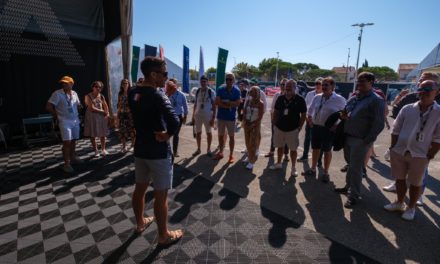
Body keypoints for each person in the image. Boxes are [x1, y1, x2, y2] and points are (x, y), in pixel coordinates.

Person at [128, 56, 183, 246]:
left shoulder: (132, 91)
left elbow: (142, 107)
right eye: (164, 74)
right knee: (161, 195)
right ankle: (163, 236)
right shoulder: (158, 95)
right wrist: (167, 135)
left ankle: (140, 223)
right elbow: (175, 121)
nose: (166, 78)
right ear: (153, 75)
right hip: (158, 152)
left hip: (140, 149)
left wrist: (163, 93)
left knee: (140, 188)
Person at [384, 80, 440, 221]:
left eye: (428, 89)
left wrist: (430, 155)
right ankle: (399, 202)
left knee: (416, 183)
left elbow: (438, 138)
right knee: (400, 179)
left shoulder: (438, 112)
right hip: (400, 151)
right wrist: (393, 148)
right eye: (421, 88)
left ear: (437, 92)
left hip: (420, 154)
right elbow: (395, 130)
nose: (423, 91)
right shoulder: (408, 108)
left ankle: (411, 207)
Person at [334, 72, 385, 208]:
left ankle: (353, 195)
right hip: (348, 136)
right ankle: (348, 187)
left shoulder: (376, 100)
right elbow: (345, 111)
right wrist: (343, 115)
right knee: (350, 165)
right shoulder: (355, 97)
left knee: (356, 168)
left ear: (371, 82)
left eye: (363, 81)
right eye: (359, 80)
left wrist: (367, 140)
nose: (359, 83)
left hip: (360, 140)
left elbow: (379, 123)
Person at [302, 77, 346, 183]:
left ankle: (326, 172)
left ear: (333, 87)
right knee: (315, 149)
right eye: (323, 85)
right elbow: (310, 110)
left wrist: (337, 125)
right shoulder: (317, 97)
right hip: (316, 127)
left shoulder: (339, 99)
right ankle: (313, 169)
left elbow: (345, 114)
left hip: (329, 130)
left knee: (327, 150)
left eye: (327, 85)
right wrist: (310, 119)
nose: (324, 87)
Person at [270, 80, 307, 178]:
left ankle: (293, 168)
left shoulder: (300, 99)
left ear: (295, 88)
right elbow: (276, 112)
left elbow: (303, 115)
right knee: (280, 147)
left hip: (293, 129)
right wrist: (274, 124)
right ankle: (278, 163)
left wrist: (299, 127)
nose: (287, 88)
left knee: (293, 149)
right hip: (279, 127)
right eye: (286, 86)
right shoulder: (280, 98)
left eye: (290, 86)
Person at [46, 76, 83, 173]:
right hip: (64, 121)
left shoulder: (74, 93)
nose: (64, 84)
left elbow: (78, 105)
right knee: (67, 142)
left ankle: (73, 157)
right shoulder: (57, 93)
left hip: (75, 121)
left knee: (74, 140)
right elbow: (48, 106)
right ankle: (67, 164)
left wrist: (80, 107)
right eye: (62, 83)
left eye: (66, 83)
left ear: (72, 84)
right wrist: (57, 116)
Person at [213, 72, 241, 163]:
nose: (228, 81)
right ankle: (221, 152)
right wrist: (229, 105)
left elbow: (237, 103)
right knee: (220, 136)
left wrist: (226, 103)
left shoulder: (237, 91)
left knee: (231, 137)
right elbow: (217, 102)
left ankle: (231, 155)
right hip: (221, 117)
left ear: (234, 80)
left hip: (231, 118)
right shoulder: (220, 89)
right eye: (227, 79)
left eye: (230, 79)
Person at [297, 77, 323, 163]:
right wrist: (307, 119)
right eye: (316, 84)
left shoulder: (325, 95)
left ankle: (319, 159)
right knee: (307, 139)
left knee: (319, 141)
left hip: (320, 122)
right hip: (309, 120)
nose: (318, 85)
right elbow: (305, 107)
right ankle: (305, 155)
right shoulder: (310, 94)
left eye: (320, 84)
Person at [192, 75, 216, 156]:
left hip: (208, 116)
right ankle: (198, 149)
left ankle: (208, 149)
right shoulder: (198, 91)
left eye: (205, 81)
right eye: (202, 81)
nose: (203, 83)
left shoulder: (211, 92)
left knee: (208, 133)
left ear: (207, 82)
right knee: (198, 133)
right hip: (198, 115)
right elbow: (195, 104)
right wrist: (193, 116)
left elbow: (214, 105)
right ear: (200, 82)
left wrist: (213, 118)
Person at [84, 81, 110, 157]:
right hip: (92, 117)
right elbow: (91, 108)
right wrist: (103, 111)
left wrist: (107, 113)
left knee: (103, 133)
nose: (98, 88)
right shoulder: (88, 96)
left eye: (99, 87)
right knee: (93, 134)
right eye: (96, 86)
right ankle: (96, 150)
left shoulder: (101, 96)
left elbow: (105, 105)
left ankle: (103, 149)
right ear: (93, 87)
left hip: (101, 117)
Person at [265, 78, 289, 160]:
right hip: (277, 119)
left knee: (286, 137)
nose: (283, 86)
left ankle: (286, 154)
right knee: (274, 136)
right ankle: (272, 151)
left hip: (286, 120)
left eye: (285, 84)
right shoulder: (277, 95)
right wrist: (272, 120)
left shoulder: (290, 96)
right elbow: (272, 108)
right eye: (282, 84)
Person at [242, 86, 264, 170]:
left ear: (257, 92)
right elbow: (244, 112)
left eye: (253, 91)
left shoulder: (260, 103)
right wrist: (245, 120)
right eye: (251, 90)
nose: (251, 92)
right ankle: (249, 156)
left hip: (255, 125)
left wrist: (253, 124)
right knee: (247, 142)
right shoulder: (248, 101)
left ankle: (252, 161)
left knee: (253, 143)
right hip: (247, 123)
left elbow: (260, 116)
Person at [166, 78, 188, 157]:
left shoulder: (181, 95)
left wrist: (185, 116)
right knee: (168, 133)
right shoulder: (167, 94)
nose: (173, 85)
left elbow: (185, 106)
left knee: (176, 134)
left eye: (174, 83)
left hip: (178, 116)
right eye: (171, 84)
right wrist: (168, 94)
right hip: (169, 116)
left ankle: (175, 152)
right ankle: (167, 150)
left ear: (176, 84)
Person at [117, 79, 135, 153]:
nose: (125, 84)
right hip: (122, 113)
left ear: (129, 84)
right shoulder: (120, 93)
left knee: (132, 130)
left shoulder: (131, 92)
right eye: (123, 83)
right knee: (122, 130)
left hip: (130, 114)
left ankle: (133, 145)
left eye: (126, 83)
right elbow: (118, 103)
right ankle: (124, 146)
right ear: (121, 85)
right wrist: (118, 113)